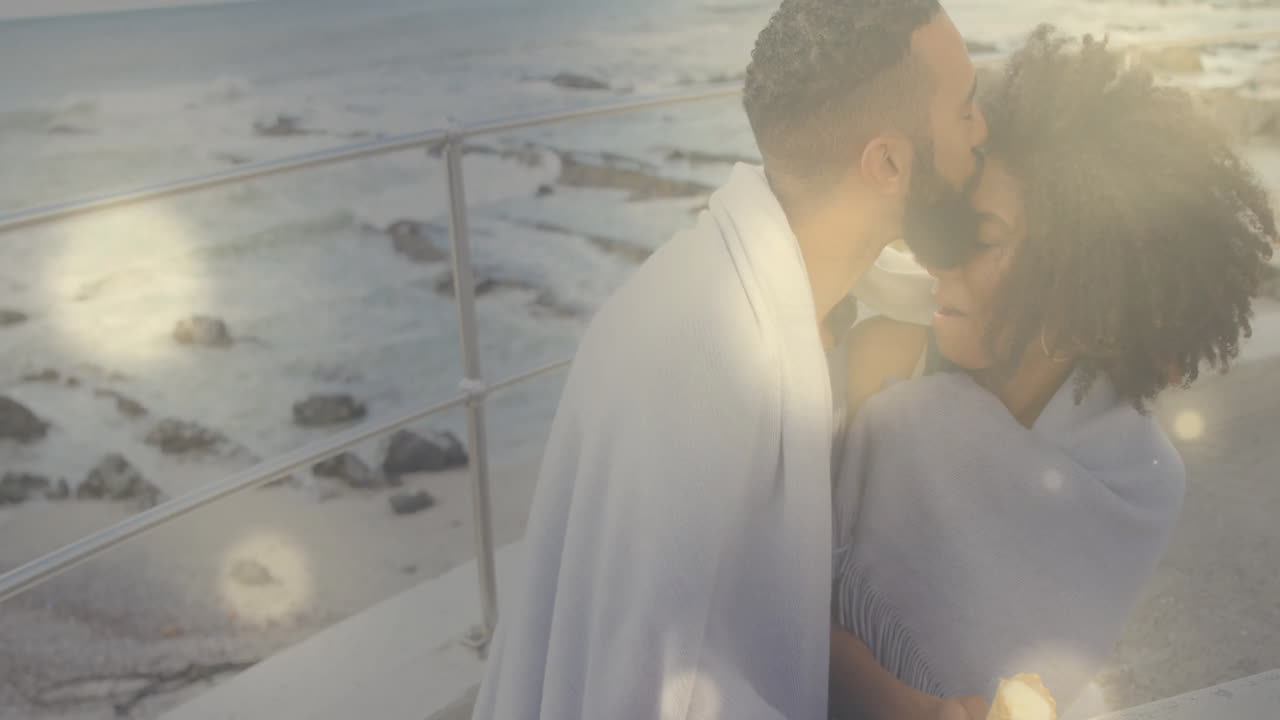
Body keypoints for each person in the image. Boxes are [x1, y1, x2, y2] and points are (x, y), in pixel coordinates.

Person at [471, 1, 987, 718]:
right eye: (966, 111)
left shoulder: (754, 294)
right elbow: (655, 697)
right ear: (889, 163)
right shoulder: (710, 358)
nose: (982, 134)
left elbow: (752, 612)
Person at [828, 26, 1277, 720]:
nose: (942, 263)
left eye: (984, 240)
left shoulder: (1133, 477)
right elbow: (766, 588)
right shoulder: (882, 361)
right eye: (946, 227)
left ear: (1083, 281)